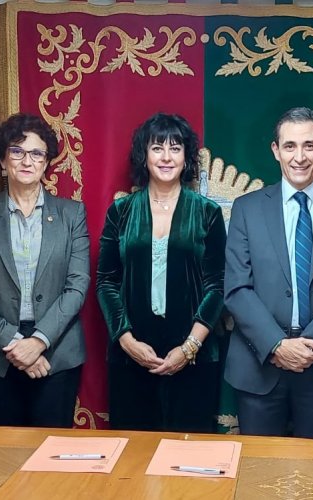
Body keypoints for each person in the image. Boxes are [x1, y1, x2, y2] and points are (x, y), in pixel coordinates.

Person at [223, 107, 313, 441]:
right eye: (290, 146)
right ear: (276, 151)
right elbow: (236, 289)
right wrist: (277, 345)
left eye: (308, 145)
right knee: (258, 476)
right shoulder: (247, 209)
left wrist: (305, 346)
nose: (299, 157)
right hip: (259, 364)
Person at [96, 113, 226, 432]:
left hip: (194, 356)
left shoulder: (208, 213)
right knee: (133, 460)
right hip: (131, 356)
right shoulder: (121, 211)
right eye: (157, 148)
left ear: (186, 157)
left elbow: (217, 285)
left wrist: (189, 347)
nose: (166, 157)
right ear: (144, 155)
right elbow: (106, 281)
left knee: (189, 461)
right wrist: (126, 340)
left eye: (175, 148)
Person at [0, 113, 90, 428]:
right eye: (17, 151)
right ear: (3, 160)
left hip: (56, 354)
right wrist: (15, 343)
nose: (27, 160)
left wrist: (39, 341)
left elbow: (77, 285)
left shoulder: (72, 214)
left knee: (51, 460)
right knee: (3, 457)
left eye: (36, 153)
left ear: (46, 163)